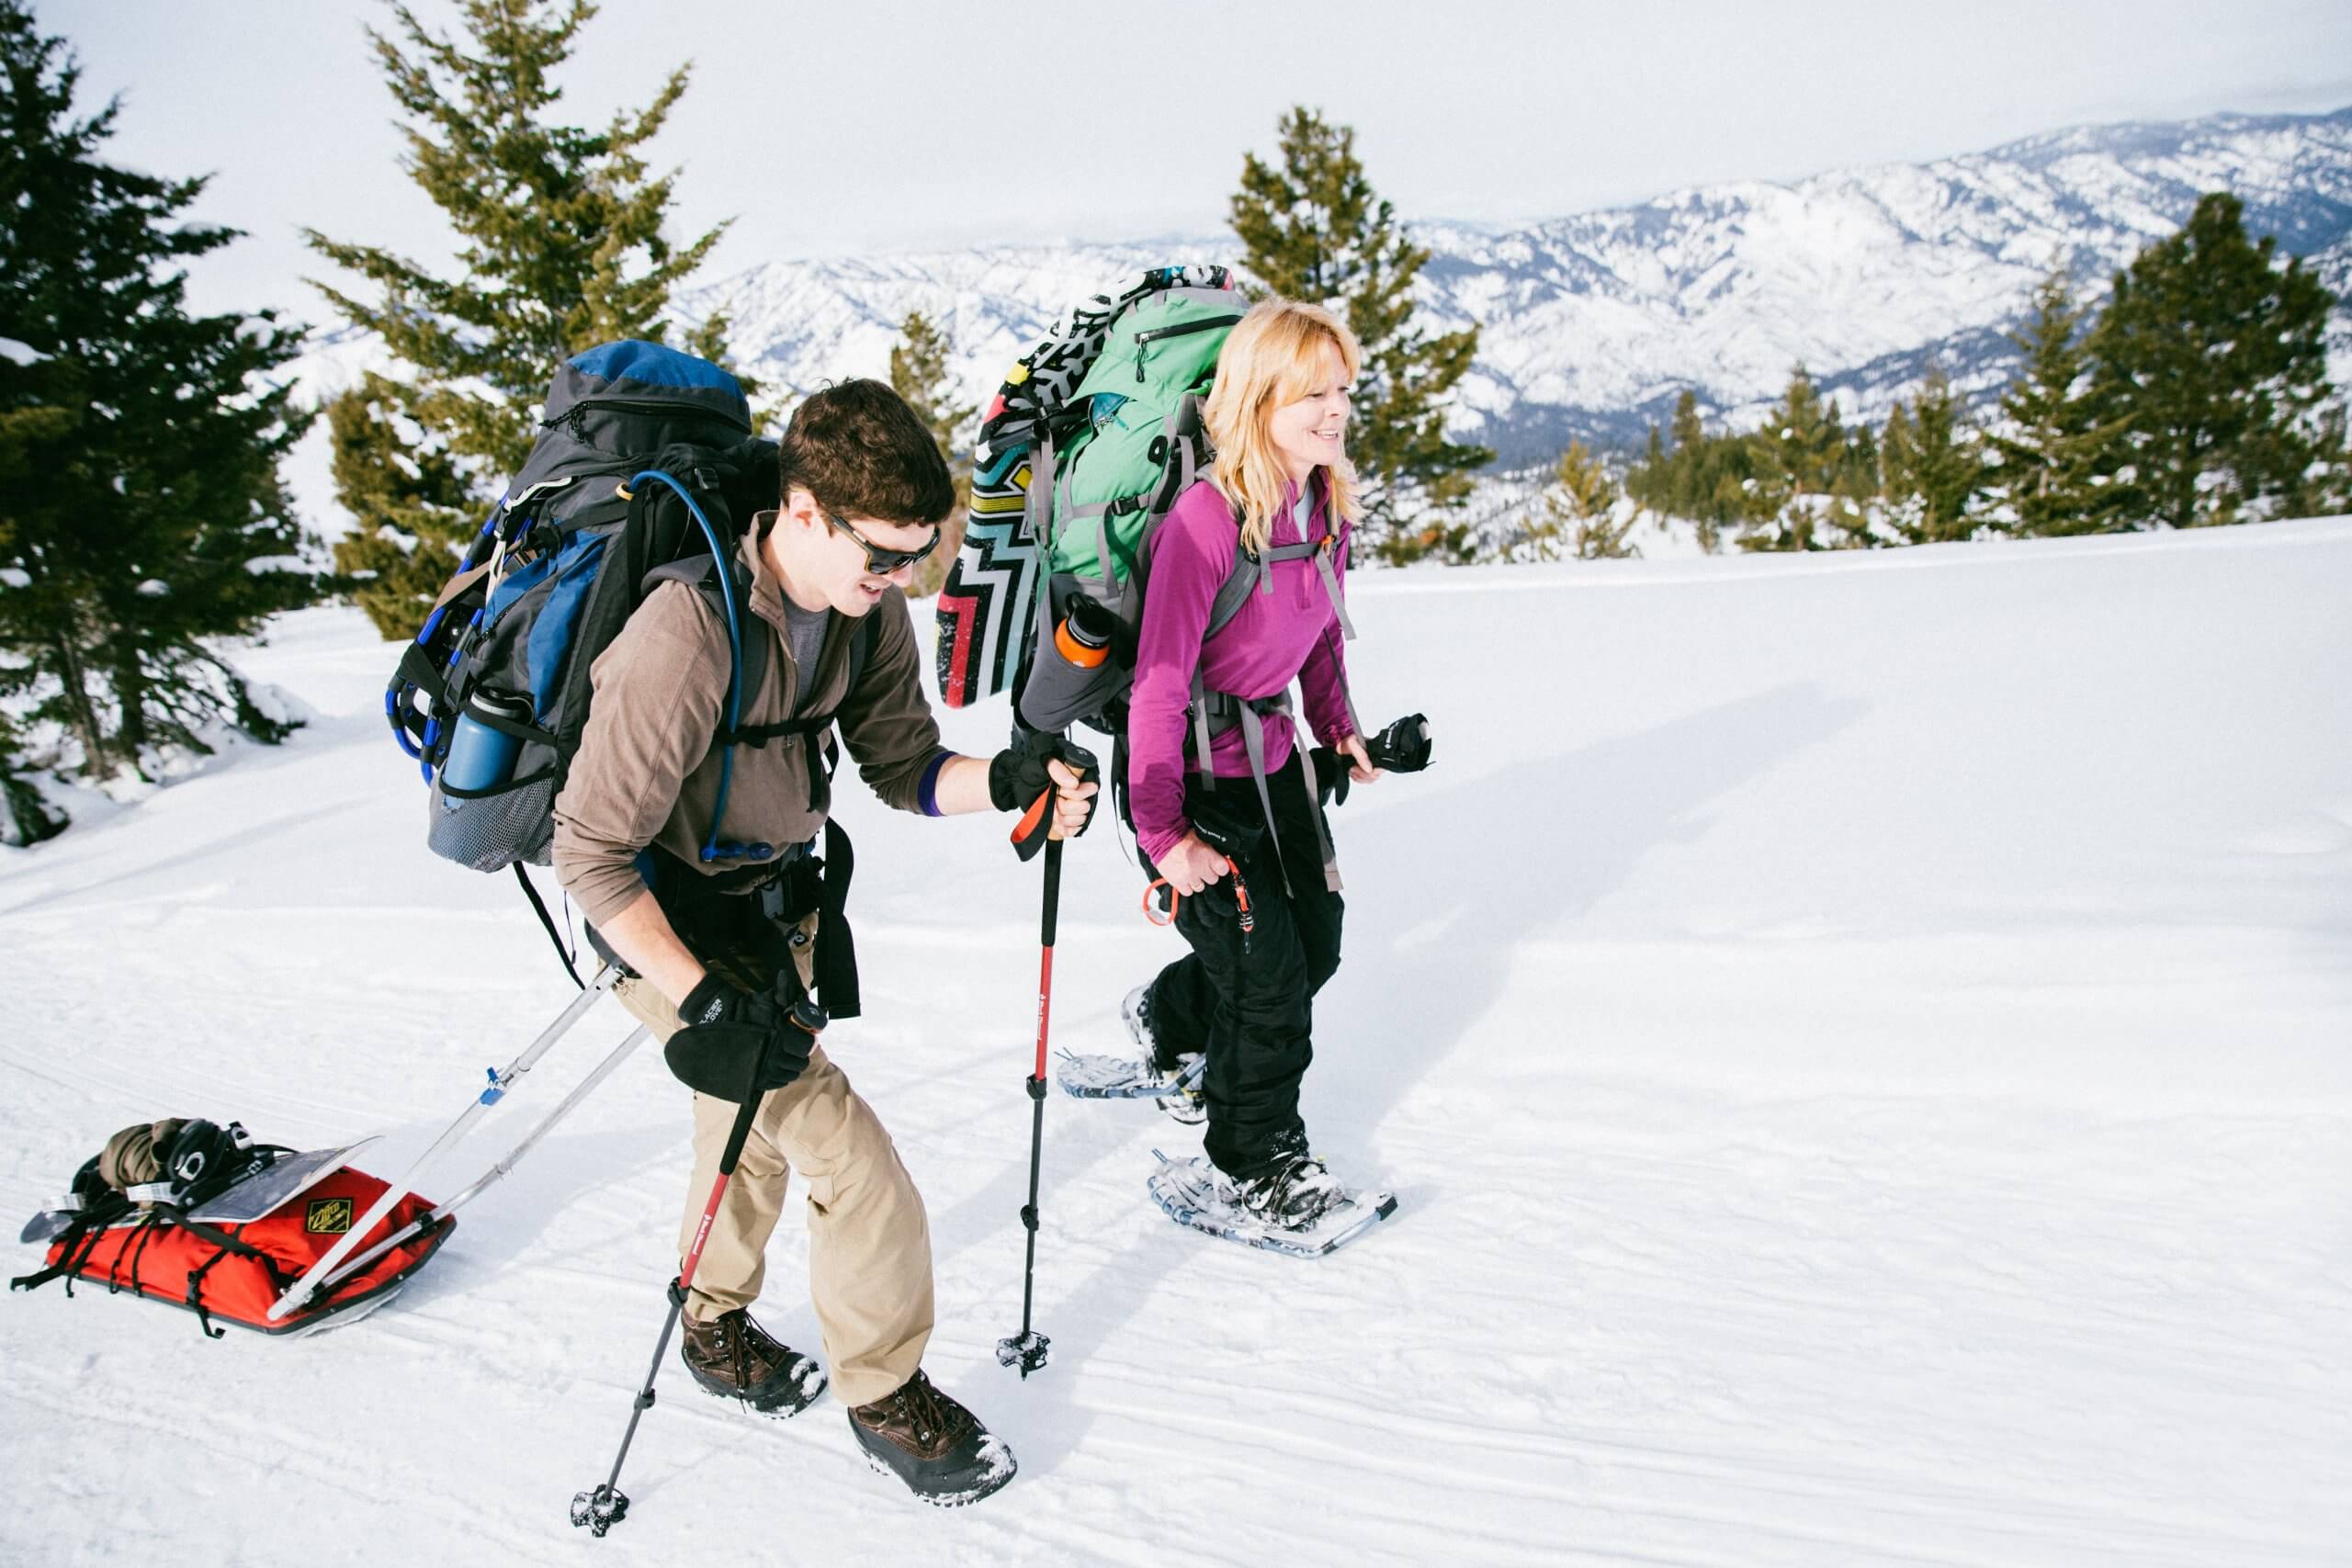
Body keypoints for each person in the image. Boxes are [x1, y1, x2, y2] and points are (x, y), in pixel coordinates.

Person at [549, 379, 1095, 1506]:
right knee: (850, 1158)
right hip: (661, 922)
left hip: (772, 908)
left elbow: (902, 768)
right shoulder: (685, 635)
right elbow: (590, 858)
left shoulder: (864, 614)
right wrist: (704, 1001)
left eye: (914, 557)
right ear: (802, 511)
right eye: (884, 556)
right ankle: (884, 1389)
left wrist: (1001, 780)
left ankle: (709, 1326)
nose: (900, 580)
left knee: (745, 1133)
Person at [1116, 299, 1381, 1230]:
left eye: (1341, 388)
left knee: (1315, 948)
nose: (1332, 409)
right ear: (1258, 397)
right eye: (1310, 392)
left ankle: (1171, 1021)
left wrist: (1338, 725)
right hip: (1189, 779)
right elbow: (1154, 686)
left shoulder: (1321, 505)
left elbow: (1316, 633)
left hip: (1279, 769)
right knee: (1266, 977)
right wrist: (1163, 836)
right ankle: (1254, 1163)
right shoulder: (1203, 520)